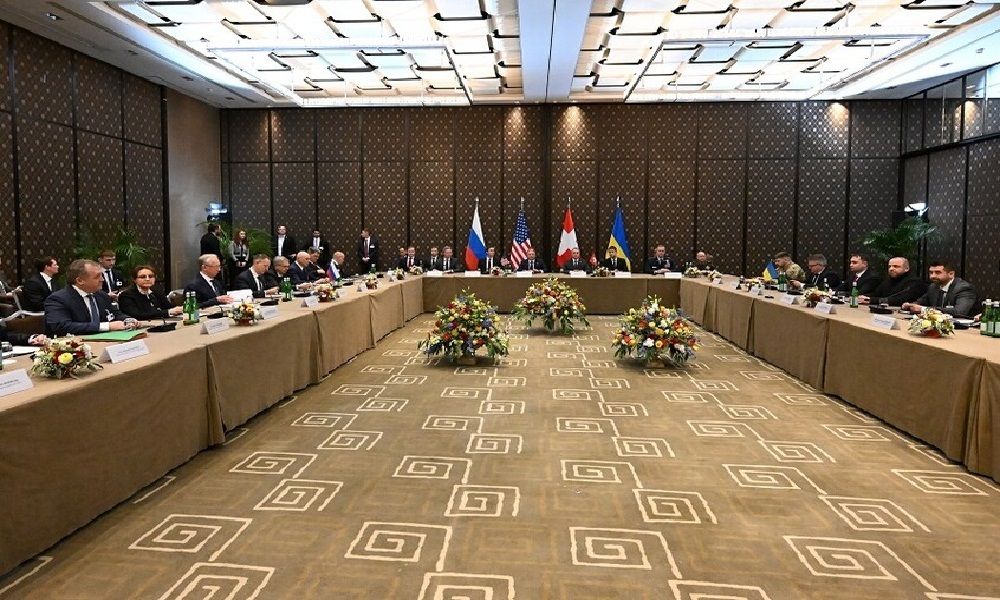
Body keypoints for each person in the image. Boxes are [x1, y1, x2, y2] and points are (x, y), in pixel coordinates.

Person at [43, 259, 137, 336]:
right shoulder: (58, 299)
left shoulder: (102, 295)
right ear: (80, 281)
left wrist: (128, 320)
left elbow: (116, 314)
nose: (102, 280)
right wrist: (106, 326)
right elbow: (61, 326)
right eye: (97, 277)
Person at [902, 262, 978, 318]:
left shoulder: (964, 288)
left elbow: (959, 312)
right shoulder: (933, 287)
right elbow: (921, 301)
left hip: (964, 328)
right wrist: (910, 305)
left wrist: (923, 309)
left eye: (937, 273)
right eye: (931, 272)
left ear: (951, 274)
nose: (932, 276)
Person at [117, 265, 183, 320]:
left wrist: (177, 310)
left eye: (151, 276)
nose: (148, 279)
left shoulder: (156, 292)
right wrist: (168, 312)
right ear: (134, 280)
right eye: (143, 277)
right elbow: (137, 315)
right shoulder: (126, 295)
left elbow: (169, 307)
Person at [860, 257, 927, 306]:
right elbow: (876, 294)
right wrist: (863, 297)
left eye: (896, 266)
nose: (891, 269)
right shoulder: (888, 281)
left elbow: (899, 299)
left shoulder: (915, 282)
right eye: (889, 266)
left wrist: (871, 300)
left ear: (906, 269)